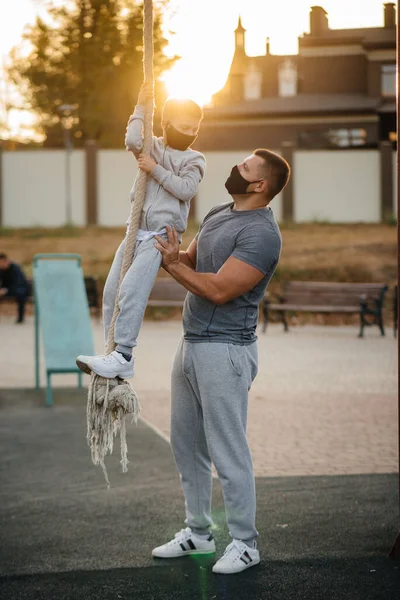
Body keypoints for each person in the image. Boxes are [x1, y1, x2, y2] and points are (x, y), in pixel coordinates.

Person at [151, 149, 290, 574]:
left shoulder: (262, 235)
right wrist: (161, 247)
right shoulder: (218, 211)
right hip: (191, 344)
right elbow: (192, 262)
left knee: (227, 451)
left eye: (245, 168)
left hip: (226, 349)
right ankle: (198, 533)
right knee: (187, 446)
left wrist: (174, 267)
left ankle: (246, 544)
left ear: (260, 185)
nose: (236, 168)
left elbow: (217, 290)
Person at [76, 83, 206, 379]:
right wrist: (140, 106)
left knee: (133, 291)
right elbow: (133, 139)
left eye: (196, 127)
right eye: (185, 125)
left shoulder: (194, 160)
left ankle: (124, 353)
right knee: (112, 291)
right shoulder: (154, 145)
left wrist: (155, 169)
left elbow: (186, 189)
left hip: (160, 237)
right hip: (135, 232)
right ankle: (111, 352)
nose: (191, 132)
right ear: (167, 124)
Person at [0, 253, 30, 324]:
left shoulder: (15, 268)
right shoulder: (1, 270)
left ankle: (20, 318)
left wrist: (5, 290)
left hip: (19, 289)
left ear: (6, 261)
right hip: (6, 290)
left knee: (21, 294)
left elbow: (18, 283)